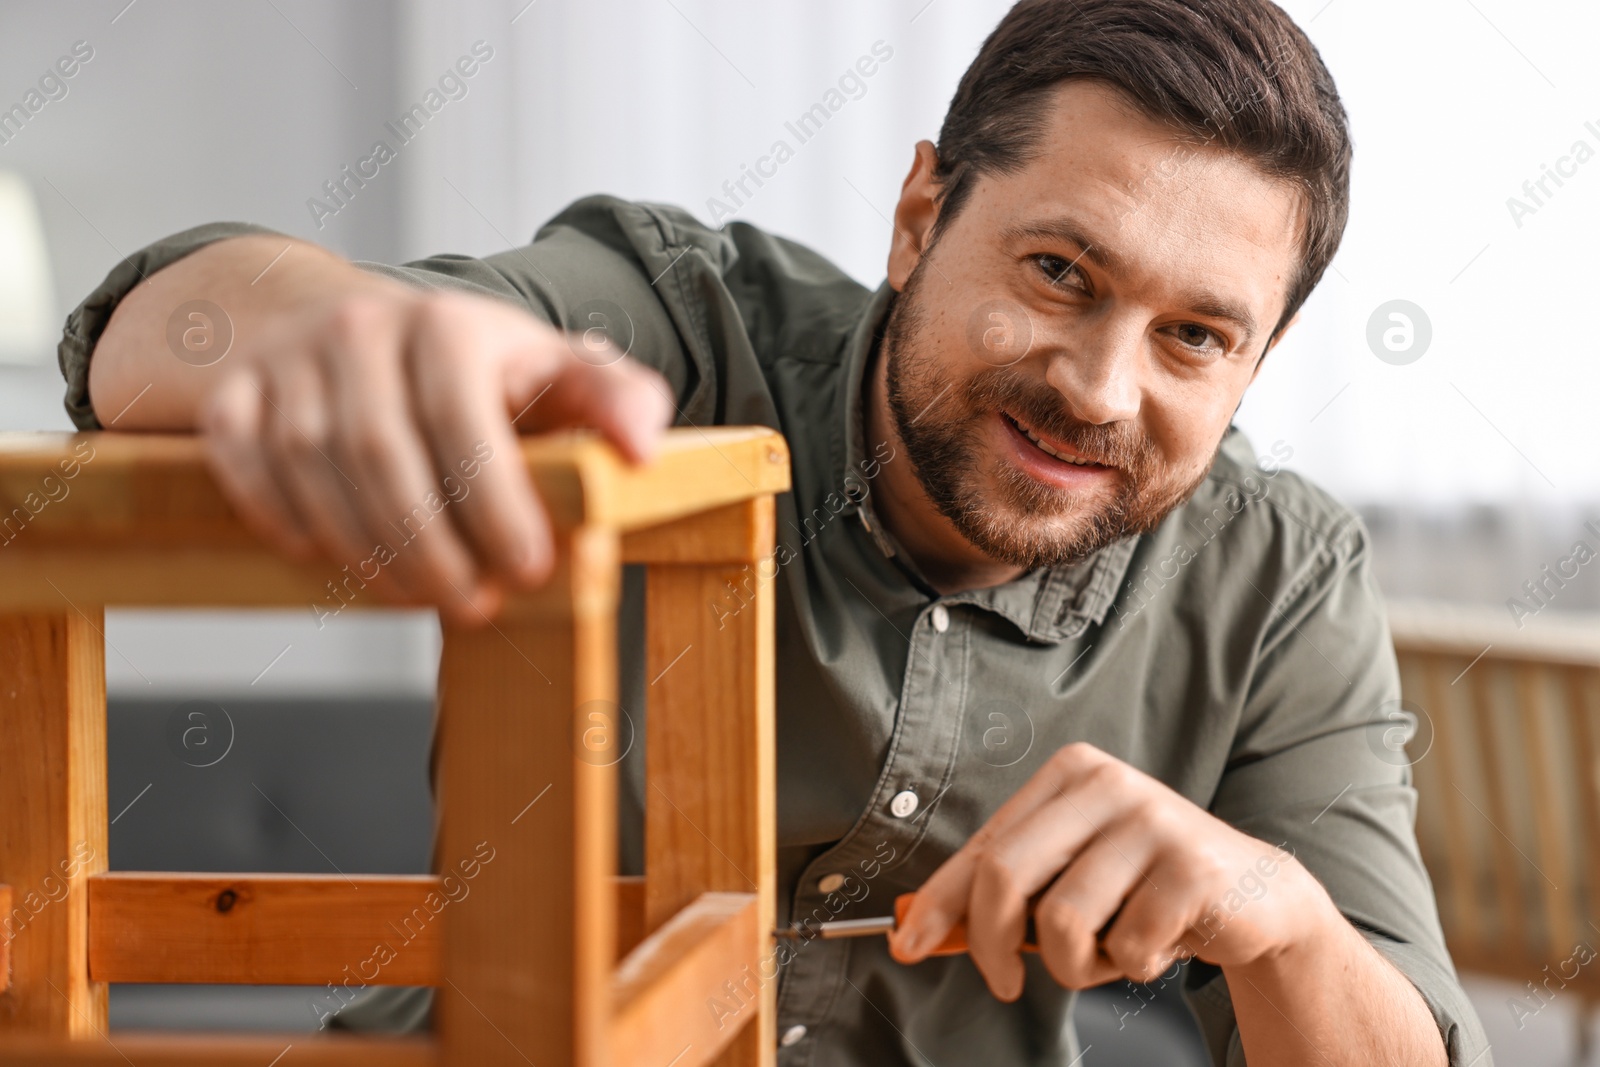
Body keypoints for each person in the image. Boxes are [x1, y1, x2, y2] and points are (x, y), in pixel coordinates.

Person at [62, 0, 1489, 1062]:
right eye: (1059, 273)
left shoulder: (1281, 580)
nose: (1101, 388)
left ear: (1259, 361)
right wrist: (349, 331)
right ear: (921, 214)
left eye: (1194, 338)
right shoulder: (683, 327)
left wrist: (1282, 916)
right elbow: (157, 334)